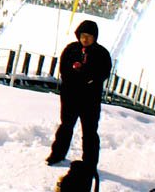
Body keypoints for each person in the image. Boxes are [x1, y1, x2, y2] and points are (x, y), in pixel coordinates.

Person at [46, 20, 112, 172]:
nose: (85, 39)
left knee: (89, 131)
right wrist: (77, 77)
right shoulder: (71, 49)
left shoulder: (102, 54)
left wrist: (87, 77)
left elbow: (102, 73)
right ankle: (57, 154)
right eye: (83, 35)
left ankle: (89, 163)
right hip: (70, 97)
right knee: (66, 126)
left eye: (88, 36)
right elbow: (64, 69)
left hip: (90, 100)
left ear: (94, 37)